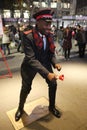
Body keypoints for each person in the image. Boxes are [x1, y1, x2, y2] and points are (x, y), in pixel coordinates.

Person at [15, 8, 62, 121]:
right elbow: (31, 59)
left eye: (50, 24)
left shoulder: (49, 35)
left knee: (53, 83)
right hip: (30, 66)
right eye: (46, 24)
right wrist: (47, 73)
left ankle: (51, 107)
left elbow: (50, 53)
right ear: (38, 22)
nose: (48, 27)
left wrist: (55, 63)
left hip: (45, 63)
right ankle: (20, 108)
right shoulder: (28, 36)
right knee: (26, 88)